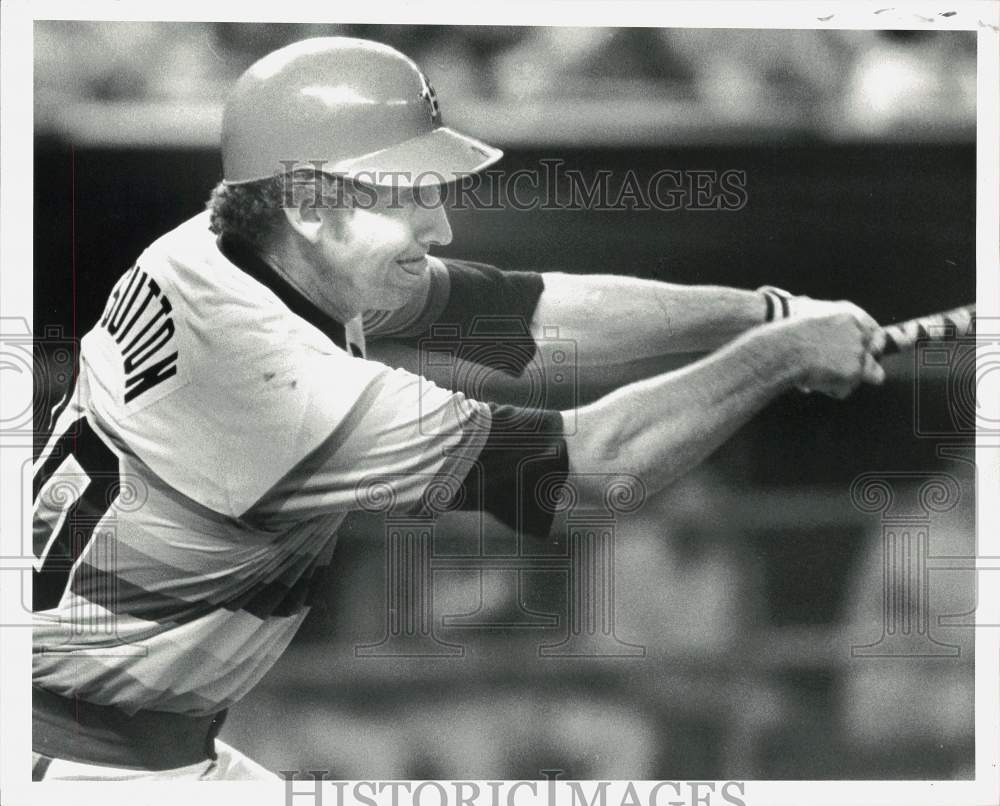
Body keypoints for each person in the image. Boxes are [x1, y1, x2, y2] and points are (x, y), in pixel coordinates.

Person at [30, 36, 885, 781]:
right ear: (307, 205)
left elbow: (523, 312)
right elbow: (596, 465)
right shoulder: (290, 391)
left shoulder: (211, 248)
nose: (439, 227)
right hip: (81, 761)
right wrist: (775, 361)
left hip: (116, 733)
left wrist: (764, 309)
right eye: (408, 195)